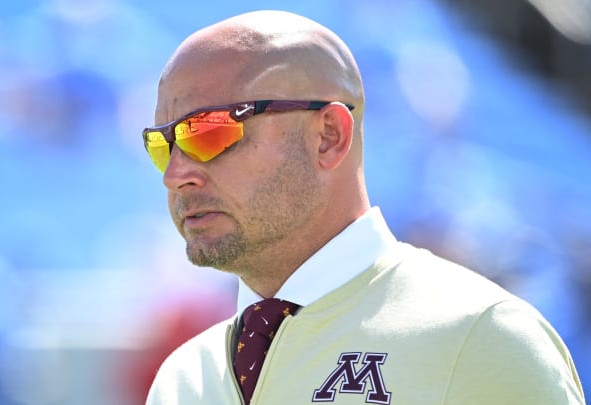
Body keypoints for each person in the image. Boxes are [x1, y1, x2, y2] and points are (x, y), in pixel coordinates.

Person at [141, 10, 586, 405]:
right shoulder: (183, 379)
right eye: (162, 146)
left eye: (209, 132)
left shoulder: (483, 337)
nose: (176, 173)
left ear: (329, 135)